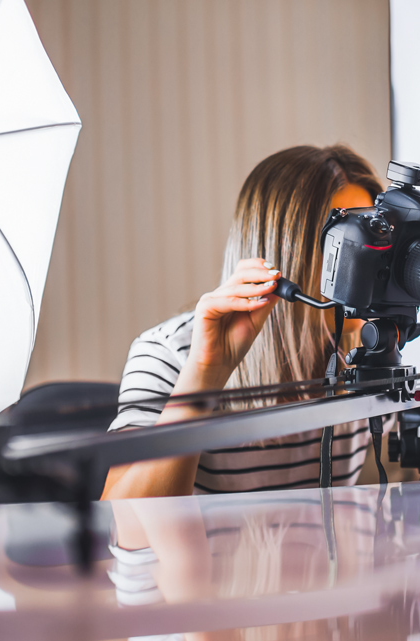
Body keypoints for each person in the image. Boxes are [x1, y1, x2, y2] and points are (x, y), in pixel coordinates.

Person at [101, 145, 391, 500]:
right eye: (351, 244)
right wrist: (204, 374)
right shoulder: (166, 356)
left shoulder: (368, 353)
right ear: (287, 256)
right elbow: (121, 525)